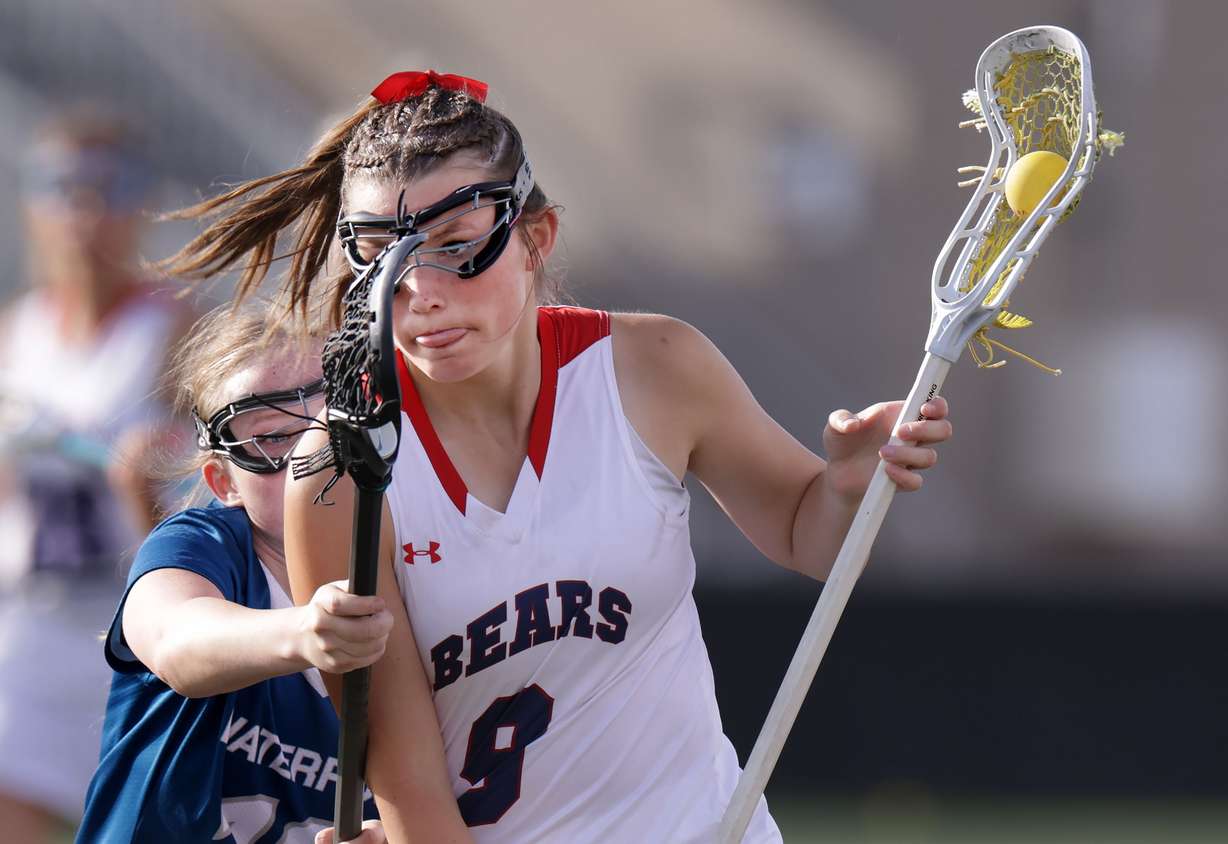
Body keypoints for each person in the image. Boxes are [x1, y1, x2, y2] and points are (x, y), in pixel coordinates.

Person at [162, 70, 954, 843]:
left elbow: (808, 536)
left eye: (456, 246)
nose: (421, 293)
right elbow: (405, 775)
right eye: (383, 258)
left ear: (535, 237)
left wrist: (848, 485)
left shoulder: (656, 367)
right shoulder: (340, 473)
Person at [76, 305, 387, 843]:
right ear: (225, 484)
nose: (316, 454)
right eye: (272, 439)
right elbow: (176, 640)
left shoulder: (420, 562)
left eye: (335, 420)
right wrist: (305, 631)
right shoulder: (201, 545)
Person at [0, 109, 185, 842]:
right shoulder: (17, 330)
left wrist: (149, 484)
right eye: (61, 187)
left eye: (108, 188)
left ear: (139, 205)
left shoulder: (175, 329)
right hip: (30, 635)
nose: (82, 211)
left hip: (127, 640)